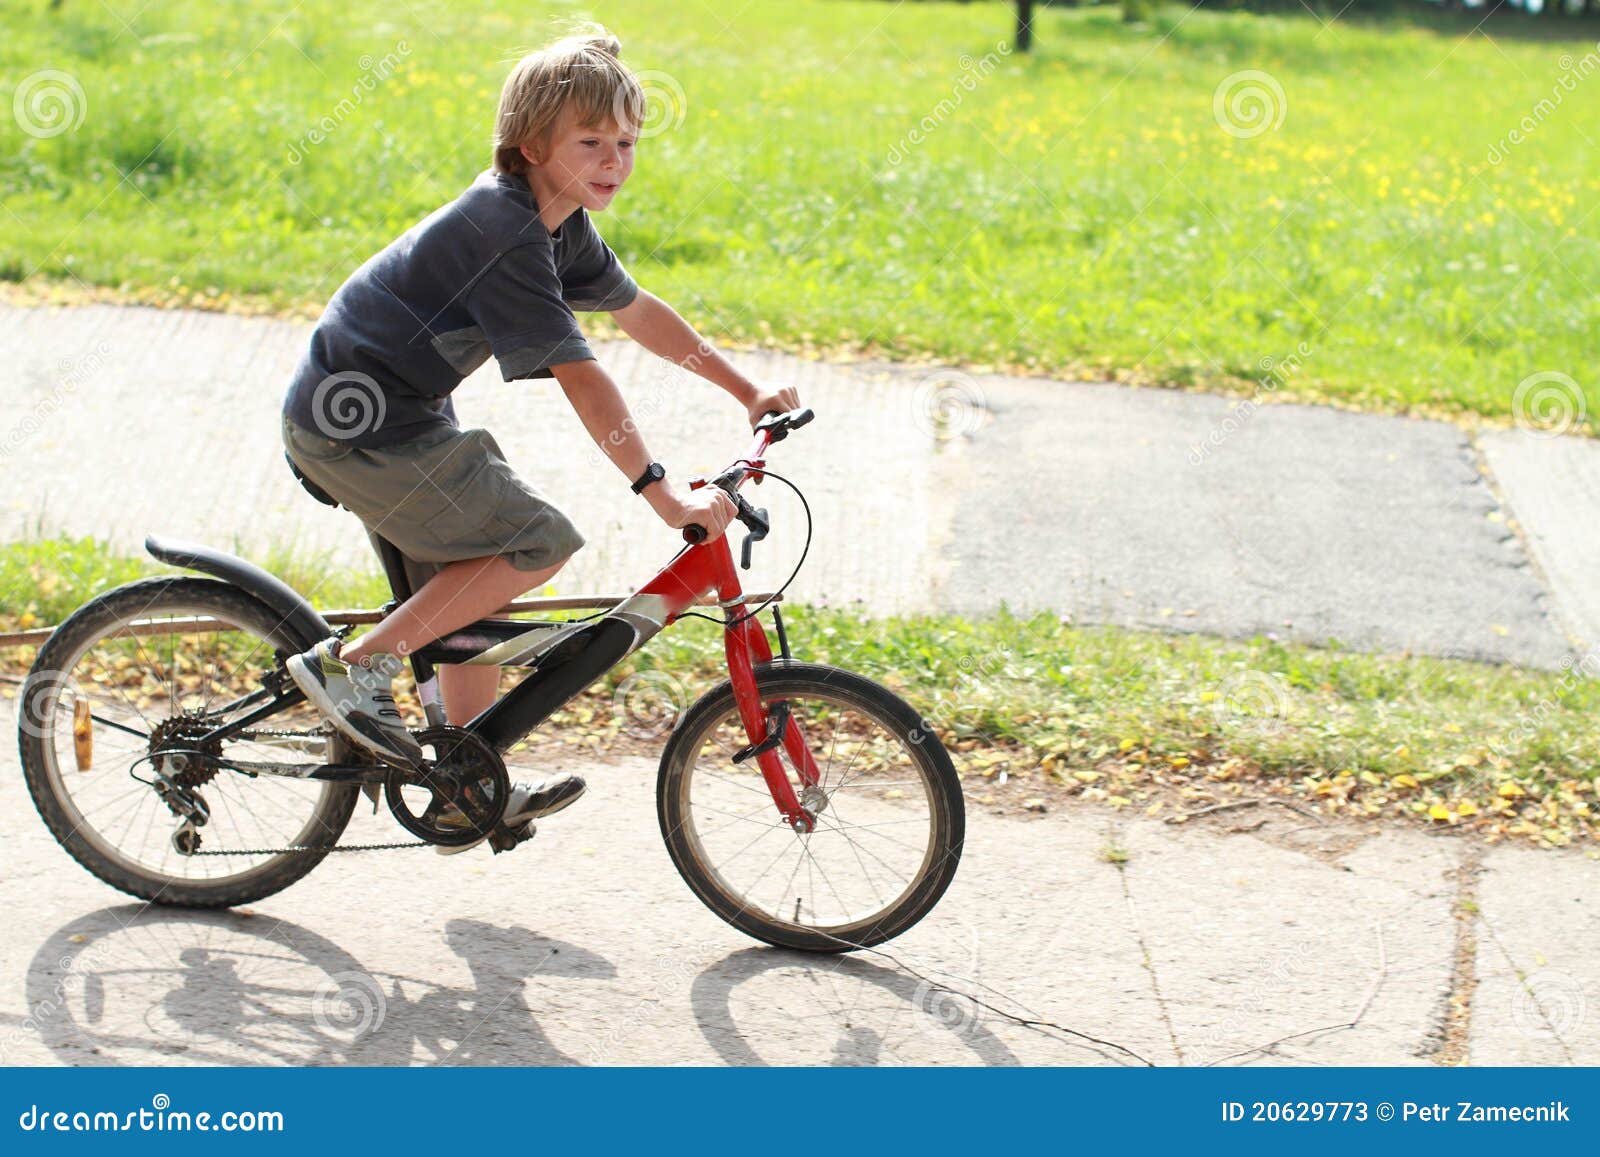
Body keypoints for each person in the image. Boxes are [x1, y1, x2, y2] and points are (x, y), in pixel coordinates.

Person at [280, 27, 800, 852]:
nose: (615, 159)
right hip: (356, 430)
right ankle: (355, 667)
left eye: (627, 142)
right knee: (535, 540)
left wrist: (747, 391)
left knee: (473, 593)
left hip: (404, 418)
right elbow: (582, 375)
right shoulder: (505, 231)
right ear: (529, 146)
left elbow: (639, 313)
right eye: (591, 142)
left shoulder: (558, 224)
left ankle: (463, 777)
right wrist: (661, 490)